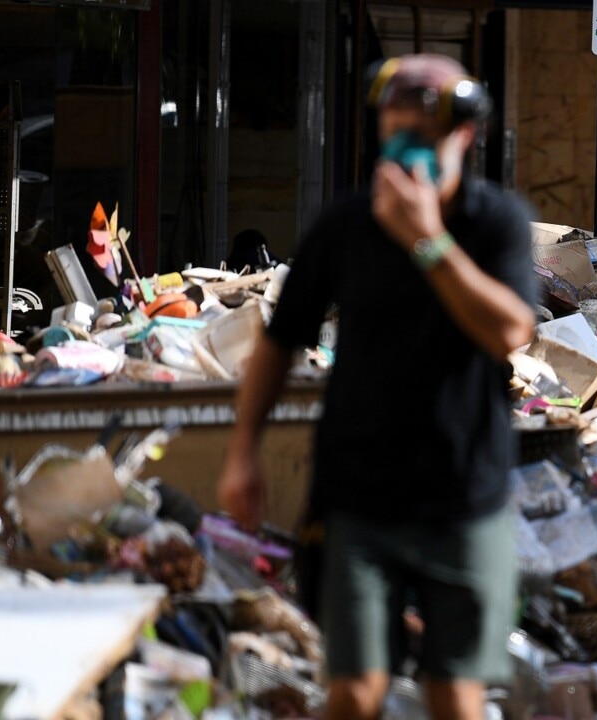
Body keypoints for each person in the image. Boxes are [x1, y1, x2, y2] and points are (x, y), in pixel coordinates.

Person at [217, 53, 537, 720]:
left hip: (462, 496)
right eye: (393, 134)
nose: (404, 151)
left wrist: (427, 242)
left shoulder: (494, 223)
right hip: (358, 497)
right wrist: (243, 451)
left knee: (455, 695)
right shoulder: (346, 225)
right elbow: (280, 343)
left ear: (464, 138)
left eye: (421, 138)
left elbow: (510, 331)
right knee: (356, 690)